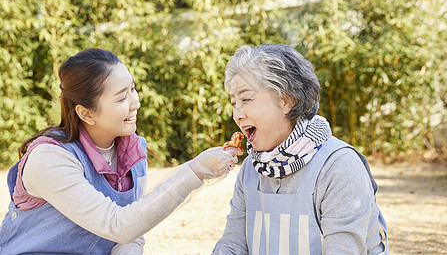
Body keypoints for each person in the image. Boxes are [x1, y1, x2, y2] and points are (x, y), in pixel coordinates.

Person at [0, 48, 239, 254]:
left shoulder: (132, 151)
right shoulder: (50, 159)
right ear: (86, 113)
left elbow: (132, 232)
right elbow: (119, 225)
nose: (136, 103)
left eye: (132, 89)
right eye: (121, 97)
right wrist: (196, 170)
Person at [212, 44, 389, 254]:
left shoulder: (339, 166)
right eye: (234, 103)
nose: (237, 114)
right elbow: (232, 245)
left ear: (285, 100)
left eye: (246, 99)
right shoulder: (251, 168)